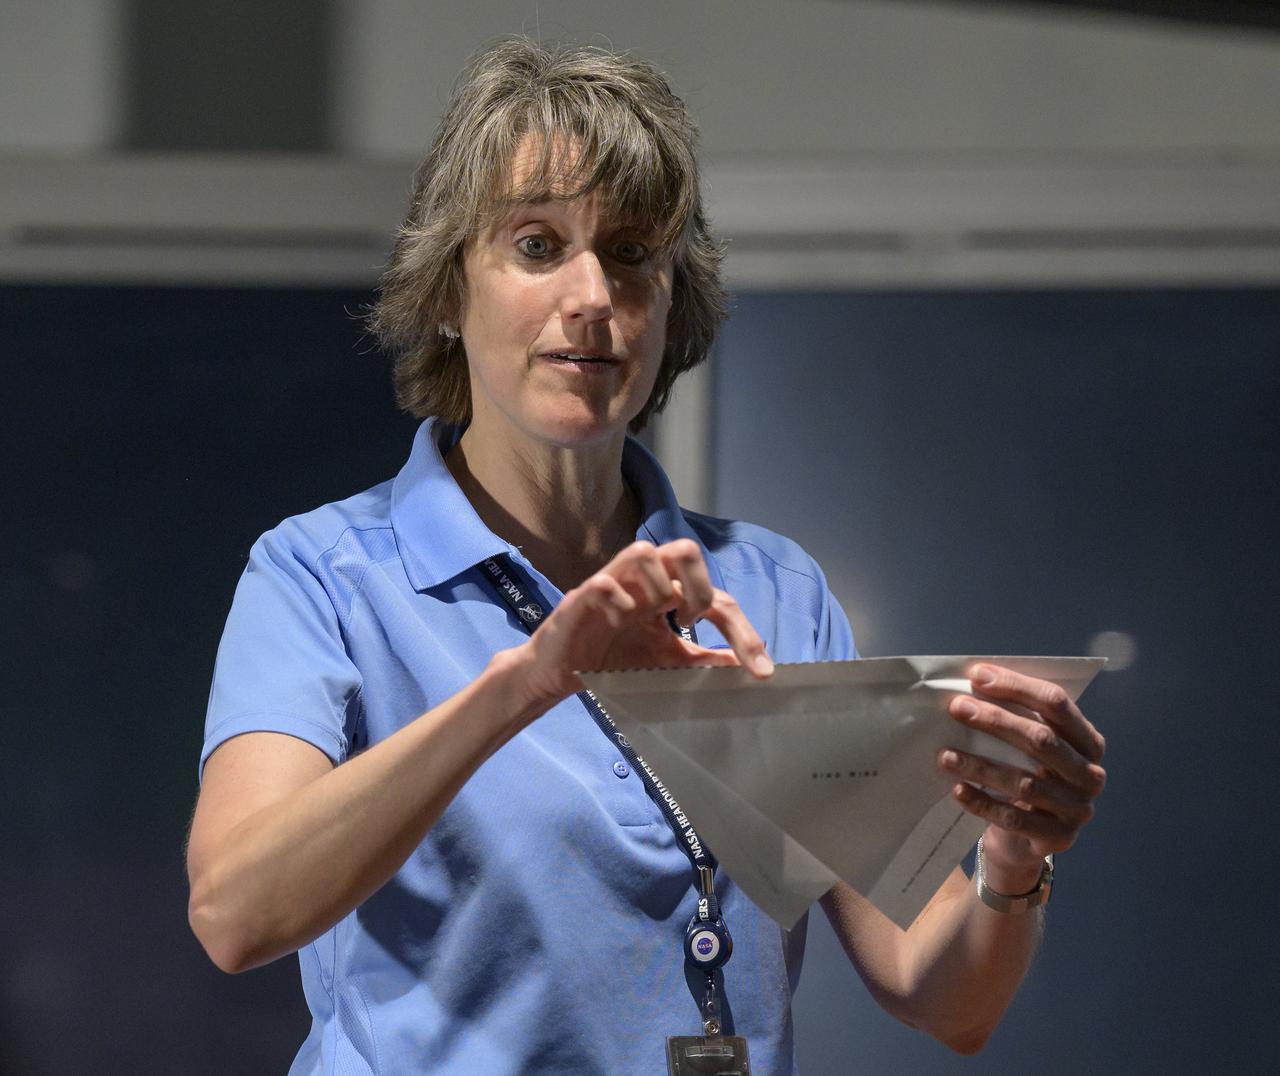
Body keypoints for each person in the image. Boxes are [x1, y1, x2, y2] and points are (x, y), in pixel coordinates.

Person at [187, 38, 1107, 1075]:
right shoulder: (322, 575)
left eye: (629, 252)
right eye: (537, 244)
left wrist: (1012, 859)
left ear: (672, 302)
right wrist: (528, 681)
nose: (591, 292)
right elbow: (234, 911)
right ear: (448, 290)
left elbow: (942, 997)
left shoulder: (773, 590)